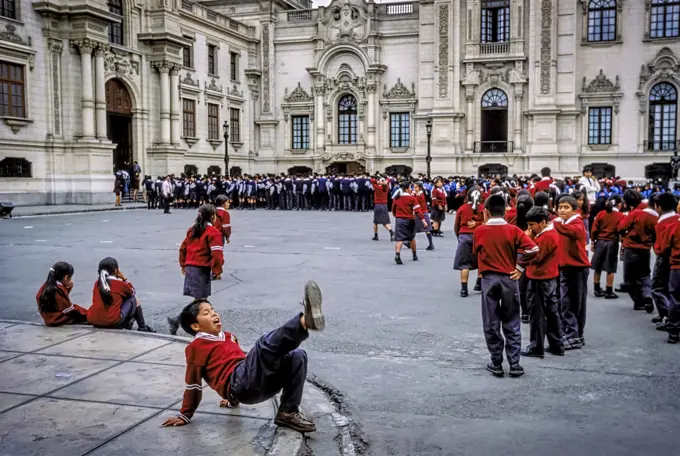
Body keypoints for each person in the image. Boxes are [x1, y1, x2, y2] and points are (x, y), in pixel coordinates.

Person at [163, 281, 325, 432]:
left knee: (297, 355)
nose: (214, 314)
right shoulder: (196, 347)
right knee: (262, 347)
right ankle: (304, 322)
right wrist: (185, 414)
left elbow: (246, 367)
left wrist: (232, 401)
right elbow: (193, 384)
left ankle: (287, 413)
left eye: (213, 310)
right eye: (206, 313)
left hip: (259, 385)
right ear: (196, 326)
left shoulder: (229, 336)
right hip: (240, 387)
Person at [473, 194, 538, 377]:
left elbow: (475, 253)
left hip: (489, 279)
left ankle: (496, 361)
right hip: (510, 279)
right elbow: (533, 248)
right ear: (506, 211)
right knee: (512, 321)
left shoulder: (480, 231)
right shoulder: (514, 230)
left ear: (486, 211)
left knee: (491, 322)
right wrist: (519, 267)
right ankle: (515, 363)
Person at [518, 207, 563, 358]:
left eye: (532, 224)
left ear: (542, 222)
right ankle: (556, 344)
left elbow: (534, 256)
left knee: (537, 313)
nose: (529, 228)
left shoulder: (545, 237)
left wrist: (528, 240)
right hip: (549, 277)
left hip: (540, 278)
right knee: (551, 312)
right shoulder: (550, 233)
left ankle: (537, 346)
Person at [553, 195, 590, 350]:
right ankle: (575, 334)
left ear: (574, 210)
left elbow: (571, 232)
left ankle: (573, 335)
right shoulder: (565, 222)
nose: (562, 210)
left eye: (566, 207)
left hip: (575, 268)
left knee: (571, 303)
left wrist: (556, 223)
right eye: (560, 207)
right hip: (567, 267)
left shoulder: (576, 223)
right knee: (570, 302)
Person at [87, 257, 155, 331]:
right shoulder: (119, 284)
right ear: (116, 270)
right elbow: (132, 292)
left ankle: (127, 324)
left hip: (94, 320)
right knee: (133, 299)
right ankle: (142, 327)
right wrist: (124, 278)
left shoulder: (97, 284)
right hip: (111, 321)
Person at [618, 189, 658, 312]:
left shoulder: (636, 213)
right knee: (645, 275)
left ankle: (638, 300)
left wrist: (624, 236)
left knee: (629, 278)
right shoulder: (655, 217)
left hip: (631, 248)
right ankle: (647, 295)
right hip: (645, 249)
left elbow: (622, 226)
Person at [179, 204, 225, 299]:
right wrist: (217, 269)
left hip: (190, 267)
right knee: (200, 301)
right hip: (201, 269)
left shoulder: (192, 230)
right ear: (212, 216)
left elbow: (183, 248)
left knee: (197, 299)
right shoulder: (212, 231)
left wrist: (183, 264)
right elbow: (217, 254)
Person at [651, 192, 677, 331]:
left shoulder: (661, 223)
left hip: (665, 257)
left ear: (658, 207)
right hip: (674, 258)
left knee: (657, 287)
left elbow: (661, 247)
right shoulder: (676, 218)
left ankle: (668, 315)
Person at [590, 194, 624, 299]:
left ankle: (597, 288)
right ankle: (609, 291)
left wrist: (592, 241)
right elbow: (621, 231)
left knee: (598, 266)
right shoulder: (621, 216)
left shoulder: (601, 214)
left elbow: (594, 229)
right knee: (610, 267)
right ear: (619, 204)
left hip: (600, 242)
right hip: (612, 243)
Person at [36, 262, 89, 326]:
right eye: (70, 277)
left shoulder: (45, 286)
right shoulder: (58, 289)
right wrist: (88, 314)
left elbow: (59, 302)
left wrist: (66, 289)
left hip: (48, 318)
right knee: (81, 314)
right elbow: (69, 309)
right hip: (57, 320)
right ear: (66, 278)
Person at [454, 189, 483, 297]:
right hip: (479, 236)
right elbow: (486, 223)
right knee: (481, 260)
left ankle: (464, 289)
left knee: (464, 264)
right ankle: (479, 283)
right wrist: (477, 224)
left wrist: (459, 236)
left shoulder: (462, 209)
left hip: (464, 236)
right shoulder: (483, 208)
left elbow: (456, 225)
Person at [391, 181, 427, 265]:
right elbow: (417, 210)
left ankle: (397, 254)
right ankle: (414, 254)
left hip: (399, 219)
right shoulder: (412, 199)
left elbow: (393, 209)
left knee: (399, 239)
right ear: (407, 189)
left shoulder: (397, 198)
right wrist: (423, 220)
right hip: (409, 219)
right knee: (411, 237)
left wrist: (396, 215)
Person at [413, 181, 435, 251]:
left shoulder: (419, 195)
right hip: (423, 212)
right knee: (426, 229)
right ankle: (431, 244)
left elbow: (414, 202)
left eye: (416, 187)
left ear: (420, 187)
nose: (414, 189)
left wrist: (412, 195)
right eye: (414, 187)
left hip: (421, 213)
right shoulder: (421, 193)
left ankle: (431, 244)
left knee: (418, 228)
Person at [370, 176, 394, 242]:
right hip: (384, 205)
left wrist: (377, 182)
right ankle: (391, 231)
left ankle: (376, 235)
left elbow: (371, 180)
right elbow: (389, 179)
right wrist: (385, 182)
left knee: (375, 222)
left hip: (378, 205)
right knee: (385, 221)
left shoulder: (377, 187)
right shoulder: (386, 188)